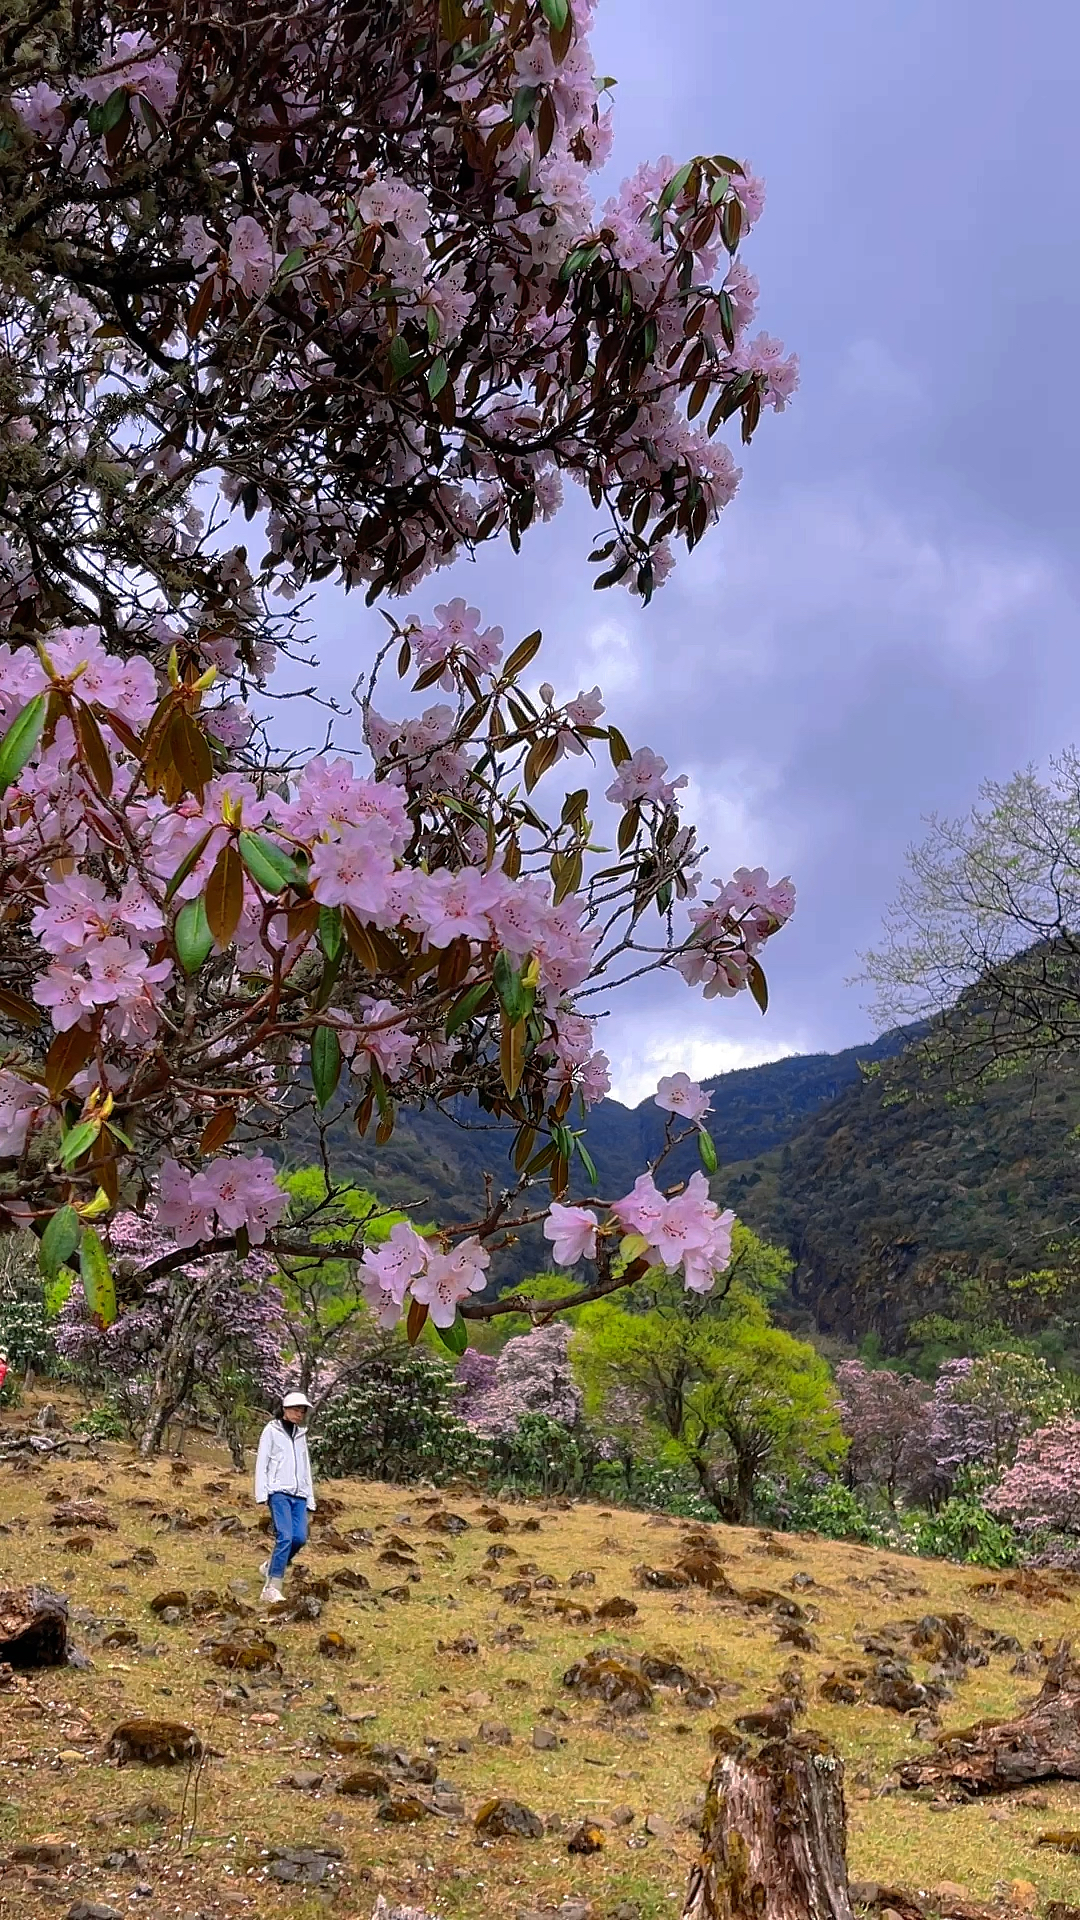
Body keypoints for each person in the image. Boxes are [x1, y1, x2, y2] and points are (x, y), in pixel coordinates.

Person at [254, 1390, 316, 1602]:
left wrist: (310, 1497)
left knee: (299, 1538)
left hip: (299, 1494)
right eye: (296, 1410)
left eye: (302, 1411)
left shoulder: (300, 1435)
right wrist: (262, 1492)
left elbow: (305, 1465)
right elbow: (262, 1461)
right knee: (285, 1536)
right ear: (285, 1410)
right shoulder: (271, 1431)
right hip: (278, 1491)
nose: (299, 1414)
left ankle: (271, 1566)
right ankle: (272, 1586)